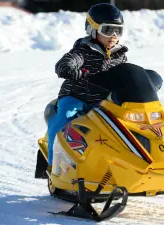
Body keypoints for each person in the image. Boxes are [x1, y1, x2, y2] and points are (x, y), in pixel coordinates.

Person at [47, 3, 128, 173]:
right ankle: (55, 166)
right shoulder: (83, 50)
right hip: (76, 96)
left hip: (102, 100)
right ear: (92, 29)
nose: (113, 36)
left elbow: (127, 73)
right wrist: (69, 69)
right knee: (65, 118)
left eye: (118, 31)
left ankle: (121, 165)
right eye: (107, 30)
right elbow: (67, 62)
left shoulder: (120, 55)